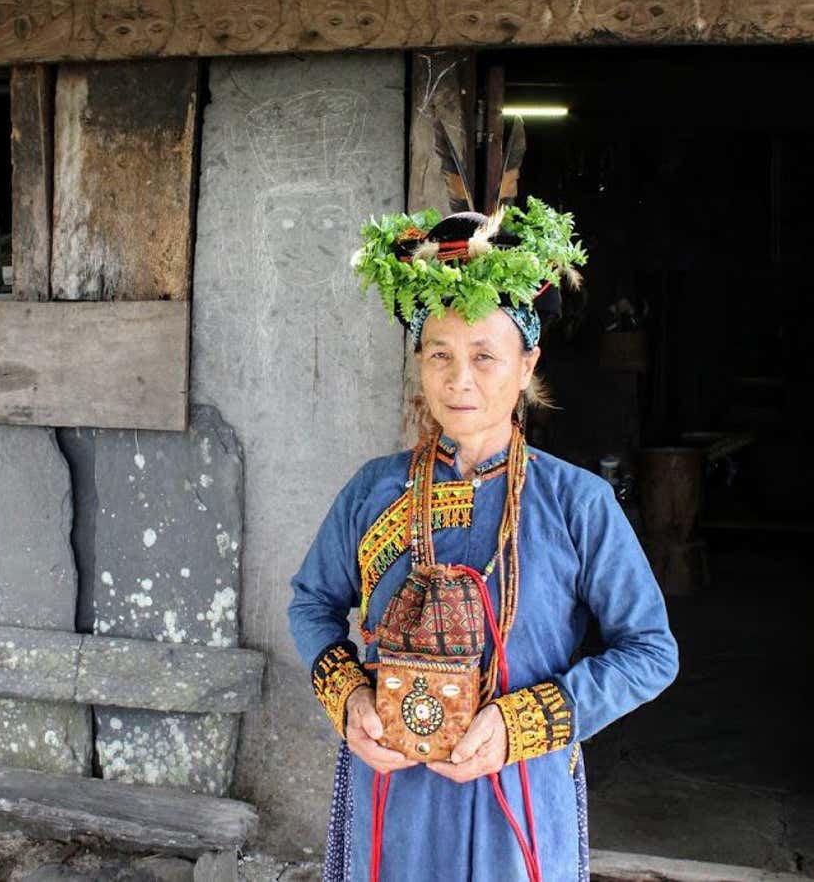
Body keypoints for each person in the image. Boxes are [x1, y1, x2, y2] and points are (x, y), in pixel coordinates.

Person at [286, 183, 680, 881]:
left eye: (485, 356)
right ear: (419, 362)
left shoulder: (575, 503)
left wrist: (525, 723)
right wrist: (349, 699)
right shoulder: (374, 491)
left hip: (519, 790)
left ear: (527, 366)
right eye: (439, 354)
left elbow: (649, 650)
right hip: (392, 791)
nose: (459, 379)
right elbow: (312, 604)